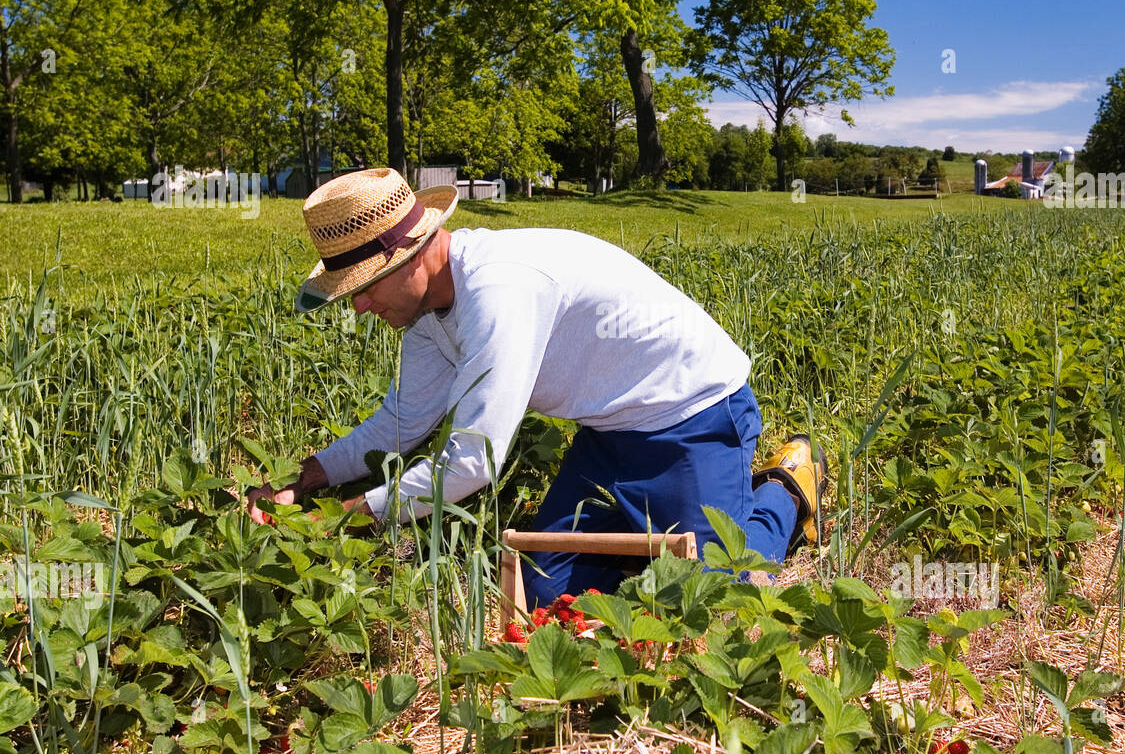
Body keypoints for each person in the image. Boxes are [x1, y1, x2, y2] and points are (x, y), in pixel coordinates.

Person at [245, 168, 827, 608]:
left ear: (410, 255)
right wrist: (304, 480)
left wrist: (347, 517)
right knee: (542, 598)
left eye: (367, 285)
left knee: (710, 603)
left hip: (694, 415)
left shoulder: (500, 291)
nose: (363, 305)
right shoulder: (424, 311)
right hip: (609, 433)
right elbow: (405, 419)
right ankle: (650, 529)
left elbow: (472, 463)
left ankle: (785, 490)